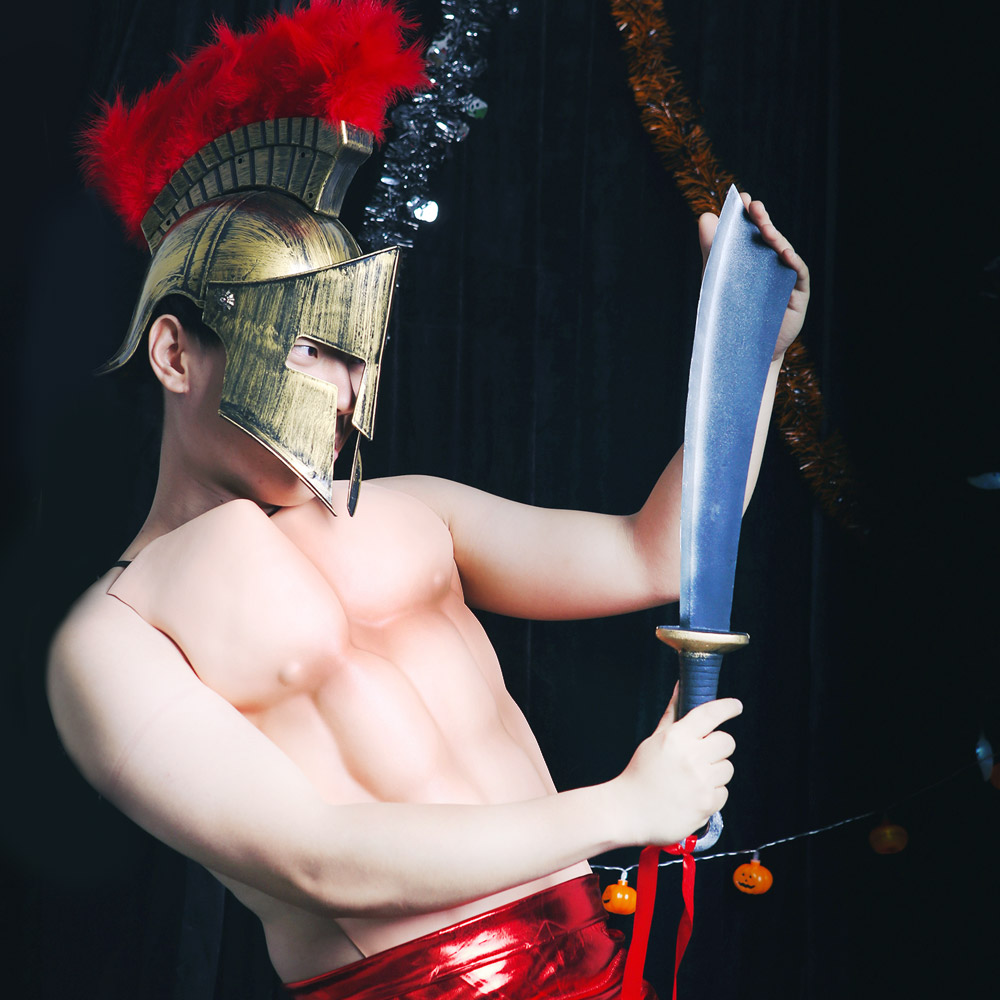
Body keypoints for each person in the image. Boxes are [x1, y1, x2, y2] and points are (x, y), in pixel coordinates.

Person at [45, 3, 809, 998]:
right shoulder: (111, 643)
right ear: (175, 353)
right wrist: (624, 807)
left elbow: (654, 555)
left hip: (597, 959)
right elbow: (319, 860)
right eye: (308, 351)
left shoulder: (410, 511)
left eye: (357, 357)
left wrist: (749, 357)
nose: (346, 392)